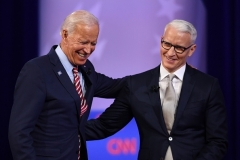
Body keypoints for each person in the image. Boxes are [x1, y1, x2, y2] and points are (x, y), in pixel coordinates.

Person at [85, 19, 228, 160]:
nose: (171, 53)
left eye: (179, 48)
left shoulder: (207, 86)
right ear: (161, 40)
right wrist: (66, 130)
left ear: (191, 50)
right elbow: (104, 126)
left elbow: (217, 141)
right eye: (166, 44)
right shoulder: (136, 84)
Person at [8, 10, 126, 160]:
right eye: (83, 42)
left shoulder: (86, 69)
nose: (88, 50)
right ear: (65, 35)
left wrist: (156, 77)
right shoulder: (37, 70)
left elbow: (117, 86)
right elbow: (19, 132)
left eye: (93, 43)